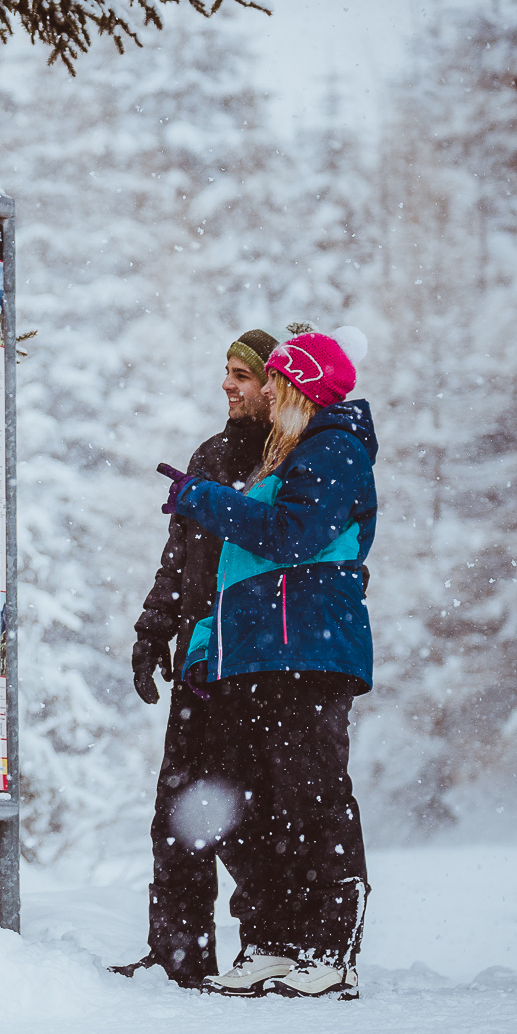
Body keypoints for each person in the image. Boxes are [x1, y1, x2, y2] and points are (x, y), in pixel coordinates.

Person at [156, 324, 377, 999]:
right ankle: (273, 941)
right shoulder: (294, 454)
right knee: (269, 805)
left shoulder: (335, 450)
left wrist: (203, 497)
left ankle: (330, 946)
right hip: (263, 654)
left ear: (300, 387)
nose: (268, 394)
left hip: (311, 650)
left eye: (277, 382)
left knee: (313, 797)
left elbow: (290, 535)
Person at [112, 328, 278, 987]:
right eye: (226, 371)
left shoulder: (289, 456)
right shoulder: (210, 455)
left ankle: (268, 949)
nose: (227, 384)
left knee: (248, 812)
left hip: (258, 665)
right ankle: (178, 957)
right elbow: (179, 557)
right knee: (175, 808)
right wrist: (153, 632)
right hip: (199, 665)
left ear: (273, 382)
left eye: (241, 373)